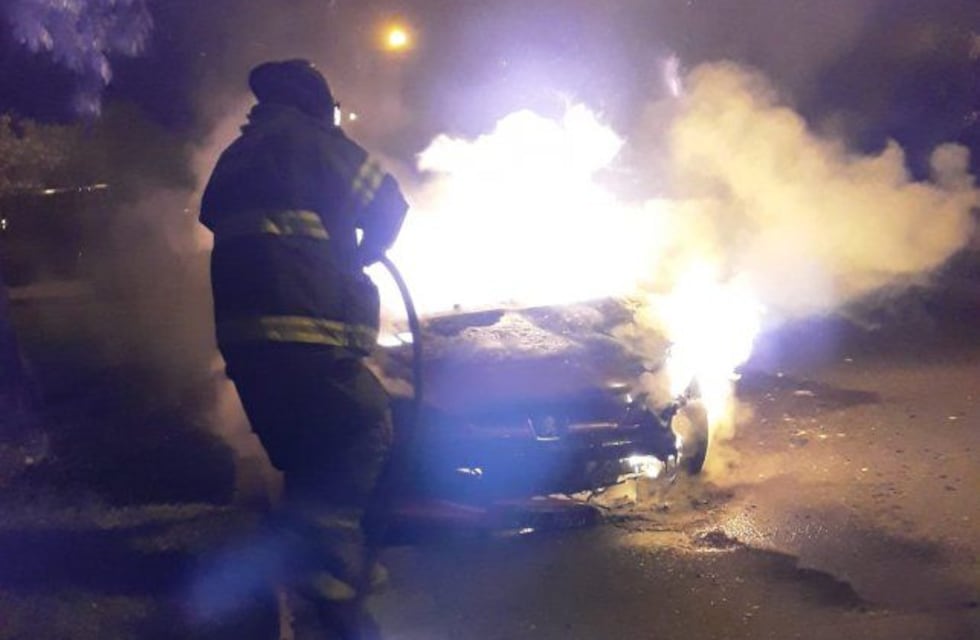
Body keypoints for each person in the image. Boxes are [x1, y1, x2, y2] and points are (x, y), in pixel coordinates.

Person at [199, 59, 408, 638]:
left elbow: (216, 217)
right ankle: (334, 577)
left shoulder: (234, 158)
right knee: (362, 428)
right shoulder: (317, 144)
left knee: (305, 451)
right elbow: (389, 202)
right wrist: (363, 254)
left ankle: (305, 567)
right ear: (317, 104)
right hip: (309, 332)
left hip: (245, 343)